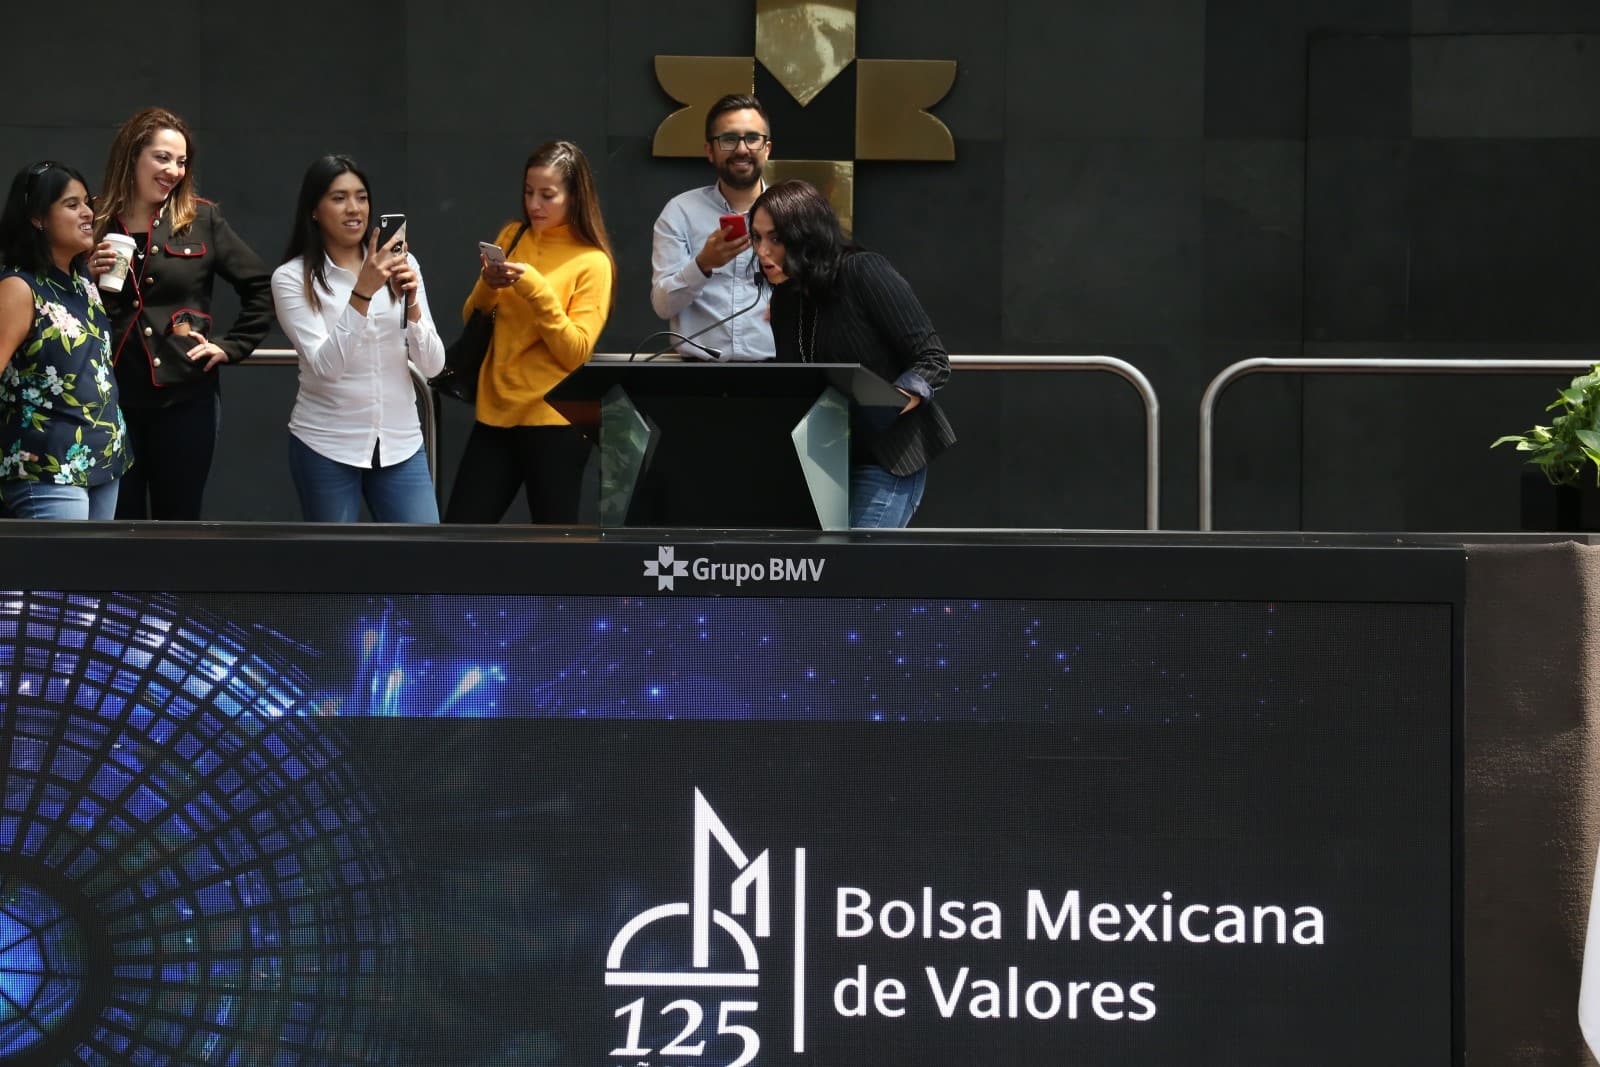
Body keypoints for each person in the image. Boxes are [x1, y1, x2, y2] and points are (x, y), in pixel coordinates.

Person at [89, 106, 272, 520]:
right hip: (109, 400)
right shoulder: (93, 216)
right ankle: (122, 591)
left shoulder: (201, 218)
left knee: (180, 521)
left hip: (185, 398)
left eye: (182, 161)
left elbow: (261, 287)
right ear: (132, 155)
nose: (173, 170)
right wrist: (84, 271)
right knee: (120, 521)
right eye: (162, 157)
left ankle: (172, 590)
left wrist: (231, 346)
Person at [750, 180, 956, 529]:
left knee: (855, 575)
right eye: (756, 237)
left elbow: (932, 359)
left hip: (887, 455)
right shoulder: (785, 299)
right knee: (822, 575)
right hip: (824, 459)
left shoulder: (862, 271)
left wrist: (887, 402)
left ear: (806, 237)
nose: (762, 251)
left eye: (776, 238)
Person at [445, 140, 615, 524]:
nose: (535, 204)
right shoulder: (512, 236)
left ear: (574, 197)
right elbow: (472, 315)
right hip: (496, 411)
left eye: (547, 195)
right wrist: (489, 282)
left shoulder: (592, 262)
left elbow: (576, 352)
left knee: (553, 544)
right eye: (528, 192)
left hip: (555, 420)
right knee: (460, 533)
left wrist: (536, 289)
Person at [272, 156, 445, 523]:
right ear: (314, 210)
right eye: (338, 198)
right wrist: (363, 292)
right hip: (326, 443)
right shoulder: (291, 278)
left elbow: (433, 365)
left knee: (425, 560)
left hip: (401, 442)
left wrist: (412, 305)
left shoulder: (404, 264)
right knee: (334, 570)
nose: (354, 209)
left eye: (361, 197)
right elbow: (326, 367)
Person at [0, 162, 132, 518]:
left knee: (89, 574)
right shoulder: (17, 287)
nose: (88, 212)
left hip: (104, 458)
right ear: (38, 218)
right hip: (47, 464)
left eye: (86, 202)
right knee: (54, 573)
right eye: (71, 204)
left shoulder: (82, 282)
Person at [650, 93, 774, 361]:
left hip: (776, 372)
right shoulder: (680, 212)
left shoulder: (792, 213)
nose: (742, 149)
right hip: (698, 376)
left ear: (767, 148)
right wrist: (703, 264)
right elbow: (662, 305)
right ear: (710, 151)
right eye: (729, 139)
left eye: (752, 138)